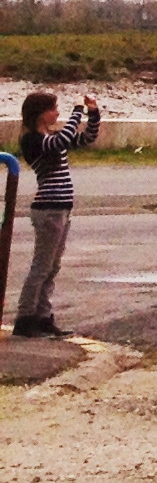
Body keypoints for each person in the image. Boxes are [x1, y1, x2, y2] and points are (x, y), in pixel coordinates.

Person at [12, 89, 98, 339]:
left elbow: (87, 138)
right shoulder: (32, 140)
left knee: (52, 267)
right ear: (41, 113)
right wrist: (77, 111)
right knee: (41, 266)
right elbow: (60, 142)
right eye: (54, 109)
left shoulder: (50, 137)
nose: (57, 113)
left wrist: (93, 113)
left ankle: (42, 316)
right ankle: (25, 318)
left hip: (61, 207)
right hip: (48, 209)